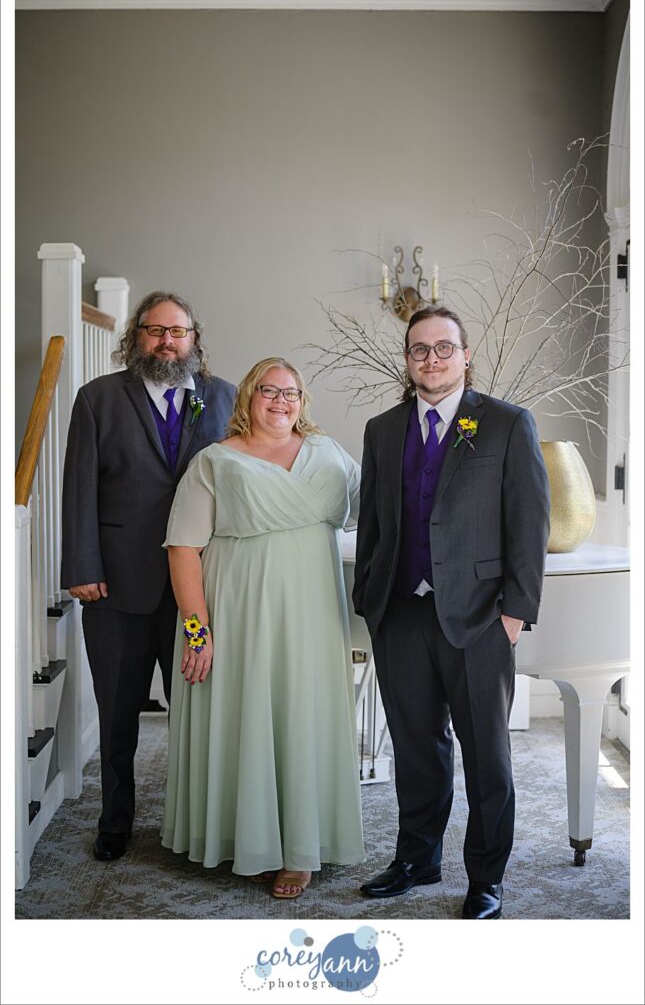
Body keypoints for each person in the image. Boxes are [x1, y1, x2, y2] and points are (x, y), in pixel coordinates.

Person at [353, 305, 550, 919]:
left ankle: (486, 877)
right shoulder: (382, 430)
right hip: (402, 616)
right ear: (407, 359)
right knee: (415, 746)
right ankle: (417, 857)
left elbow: (529, 524)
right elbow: (376, 527)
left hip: (481, 618)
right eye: (419, 349)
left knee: (486, 753)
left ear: (466, 356)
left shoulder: (507, 424)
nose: (431, 359)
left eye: (444, 348)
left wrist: (514, 614)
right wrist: (371, 600)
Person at [161, 357, 364, 899]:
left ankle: (300, 849)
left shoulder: (331, 455)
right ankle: (240, 835)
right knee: (243, 711)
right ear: (248, 398)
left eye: (291, 392)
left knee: (303, 714)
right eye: (269, 391)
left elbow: (375, 514)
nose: (280, 401)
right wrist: (199, 634)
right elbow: (183, 547)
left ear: (303, 401)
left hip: (313, 613)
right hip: (238, 609)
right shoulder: (215, 461)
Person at [61, 291, 236, 862]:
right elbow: (78, 487)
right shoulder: (98, 399)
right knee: (117, 715)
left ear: (194, 339)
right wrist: (82, 566)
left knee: (201, 714)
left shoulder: (225, 398)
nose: (167, 341)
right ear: (136, 337)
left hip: (200, 591)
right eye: (156, 331)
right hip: (116, 586)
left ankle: (197, 824)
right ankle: (116, 822)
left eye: (178, 332)